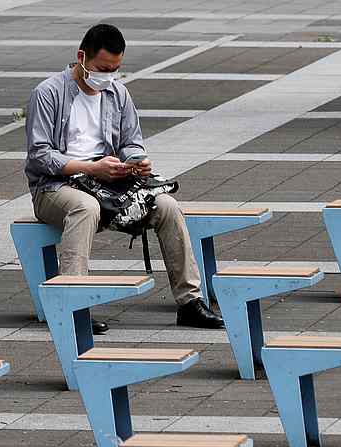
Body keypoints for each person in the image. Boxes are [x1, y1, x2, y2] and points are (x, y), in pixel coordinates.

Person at [24, 23, 223, 332]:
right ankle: (72, 306)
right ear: (81, 58)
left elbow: (131, 141)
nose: (108, 77)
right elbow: (39, 155)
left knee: (167, 205)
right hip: (55, 187)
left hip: (107, 183)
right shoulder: (48, 93)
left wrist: (136, 161)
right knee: (85, 208)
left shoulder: (117, 93)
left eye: (115, 69)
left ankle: (190, 302)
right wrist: (90, 168)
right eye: (103, 69)